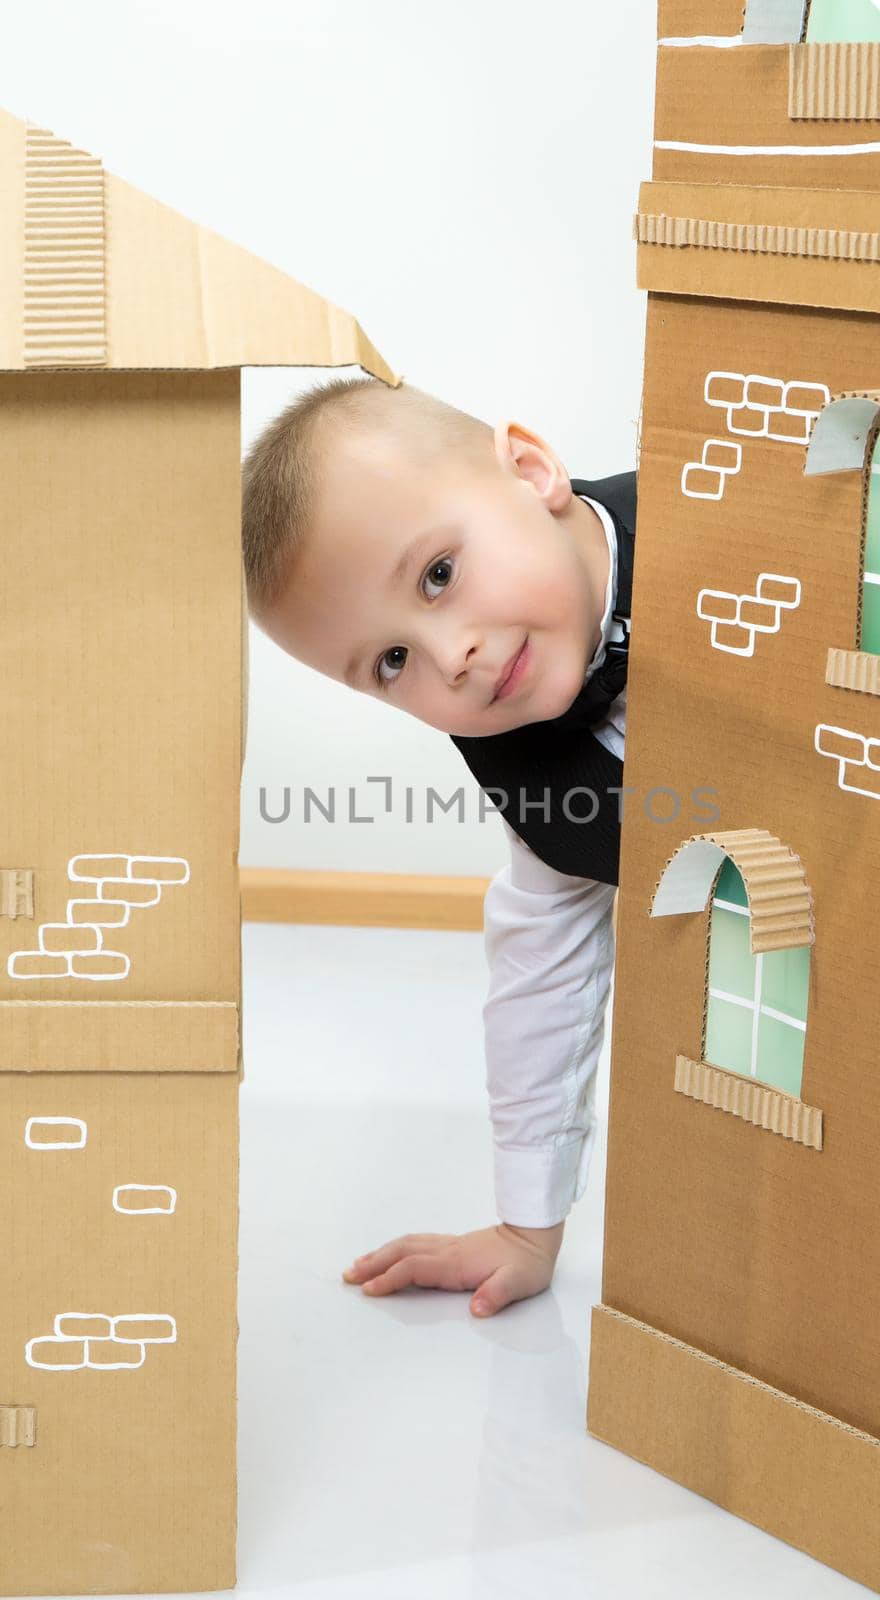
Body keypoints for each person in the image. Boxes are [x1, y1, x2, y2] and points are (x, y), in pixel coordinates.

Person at [241, 375, 634, 1317]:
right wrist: (526, 1229)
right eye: (390, 662)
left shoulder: (726, 504)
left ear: (532, 471)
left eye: (438, 576)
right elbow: (544, 974)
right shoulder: (533, 776)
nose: (448, 653)